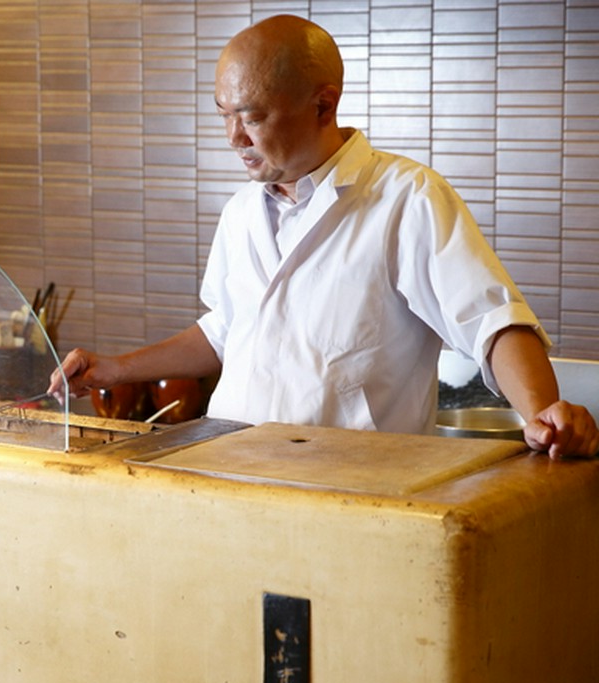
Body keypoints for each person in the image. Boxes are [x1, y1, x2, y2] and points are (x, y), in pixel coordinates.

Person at [49, 14, 598, 459]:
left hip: (357, 491)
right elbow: (227, 332)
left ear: (323, 103)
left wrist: (542, 412)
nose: (234, 136)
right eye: (223, 114)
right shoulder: (241, 212)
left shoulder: (407, 197)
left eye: (253, 115)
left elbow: (493, 323)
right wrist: (115, 368)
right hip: (230, 470)